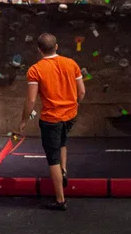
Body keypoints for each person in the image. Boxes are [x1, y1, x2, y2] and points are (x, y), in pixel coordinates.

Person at [16, 33, 85, 210]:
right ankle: (64, 171)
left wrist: (24, 120)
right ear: (56, 47)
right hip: (70, 115)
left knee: (52, 158)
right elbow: (82, 92)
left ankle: (60, 200)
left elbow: (31, 100)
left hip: (51, 119)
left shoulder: (35, 69)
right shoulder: (71, 63)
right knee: (62, 142)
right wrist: (74, 105)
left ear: (39, 50)